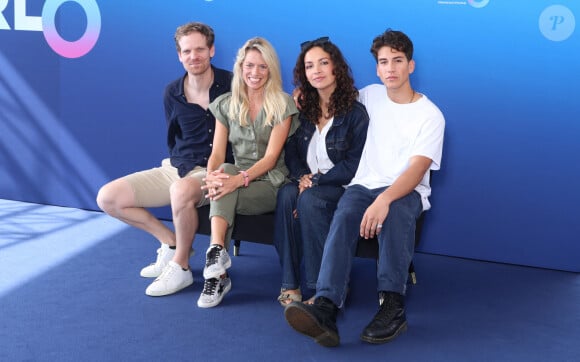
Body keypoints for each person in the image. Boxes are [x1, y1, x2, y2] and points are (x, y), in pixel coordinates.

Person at [283, 29, 445, 346]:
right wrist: (303, 92)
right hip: (362, 186)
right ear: (377, 68)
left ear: (410, 65)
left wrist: (384, 199)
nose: (391, 69)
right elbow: (332, 94)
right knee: (344, 216)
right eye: (383, 62)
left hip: (405, 192)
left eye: (397, 61)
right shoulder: (369, 95)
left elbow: (417, 169)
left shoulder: (431, 115)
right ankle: (327, 307)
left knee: (397, 213)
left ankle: (392, 304)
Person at [96, 22, 233, 297]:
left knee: (180, 189)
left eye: (200, 49)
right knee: (108, 197)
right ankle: (169, 242)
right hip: (177, 168)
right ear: (179, 56)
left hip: (216, 172)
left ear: (212, 50)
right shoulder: (172, 92)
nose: (193, 56)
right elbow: (175, 137)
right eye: (187, 51)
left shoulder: (233, 84)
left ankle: (180, 266)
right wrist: (176, 168)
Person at [199, 37, 299, 308]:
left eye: (263, 67)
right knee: (223, 171)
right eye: (250, 65)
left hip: (270, 183)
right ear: (240, 67)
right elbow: (217, 154)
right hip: (234, 176)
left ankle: (218, 274)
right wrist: (212, 176)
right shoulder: (226, 103)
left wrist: (236, 181)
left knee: (225, 183)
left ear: (271, 70)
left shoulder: (282, 104)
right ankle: (217, 255)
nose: (255, 73)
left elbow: (270, 159)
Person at [273, 37, 369, 306]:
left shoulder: (355, 114)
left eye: (323, 63)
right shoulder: (304, 110)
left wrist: (316, 181)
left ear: (336, 67)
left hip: (341, 187)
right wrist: (303, 177)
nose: (316, 70)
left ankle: (323, 288)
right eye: (309, 66)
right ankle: (290, 284)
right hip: (309, 182)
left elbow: (354, 164)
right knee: (287, 195)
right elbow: (291, 152)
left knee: (310, 199)